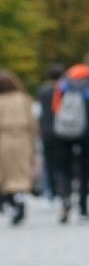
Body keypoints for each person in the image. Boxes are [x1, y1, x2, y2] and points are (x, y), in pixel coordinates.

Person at [47, 57, 89, 223]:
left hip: (64, 132)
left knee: (65, 168)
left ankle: (65, 200)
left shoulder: (63, 83)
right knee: (85, 170)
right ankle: (84, 209)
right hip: (86, 132)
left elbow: (55, 107)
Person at [0, 70, 34, 226]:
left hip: (3, 139)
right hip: (22, 138)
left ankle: (11, 202)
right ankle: (20, 198)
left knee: (5, 174)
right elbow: (33, 123)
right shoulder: (24, 100)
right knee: (20, 173)